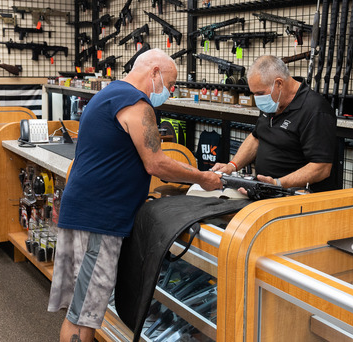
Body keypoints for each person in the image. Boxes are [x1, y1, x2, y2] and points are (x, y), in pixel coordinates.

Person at [48, 48, 222, 342]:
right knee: (83, 317)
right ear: (154, 72)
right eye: (170, 83)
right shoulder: (136, 103)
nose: (171, 90)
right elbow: (157, 163)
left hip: (86, 212)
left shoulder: (108, 94)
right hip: (98, 221)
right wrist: (203, 178)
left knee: (80, 310)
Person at [211, 55, 338, 192]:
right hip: (266, 191)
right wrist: (232, 166)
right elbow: (257, 137)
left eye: (260, 93)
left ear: (279, 83)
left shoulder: (315, 110)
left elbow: (321, 167)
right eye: (254, 93)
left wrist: (278, 184)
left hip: (296, 197)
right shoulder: (273, 103)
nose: (257, 99)